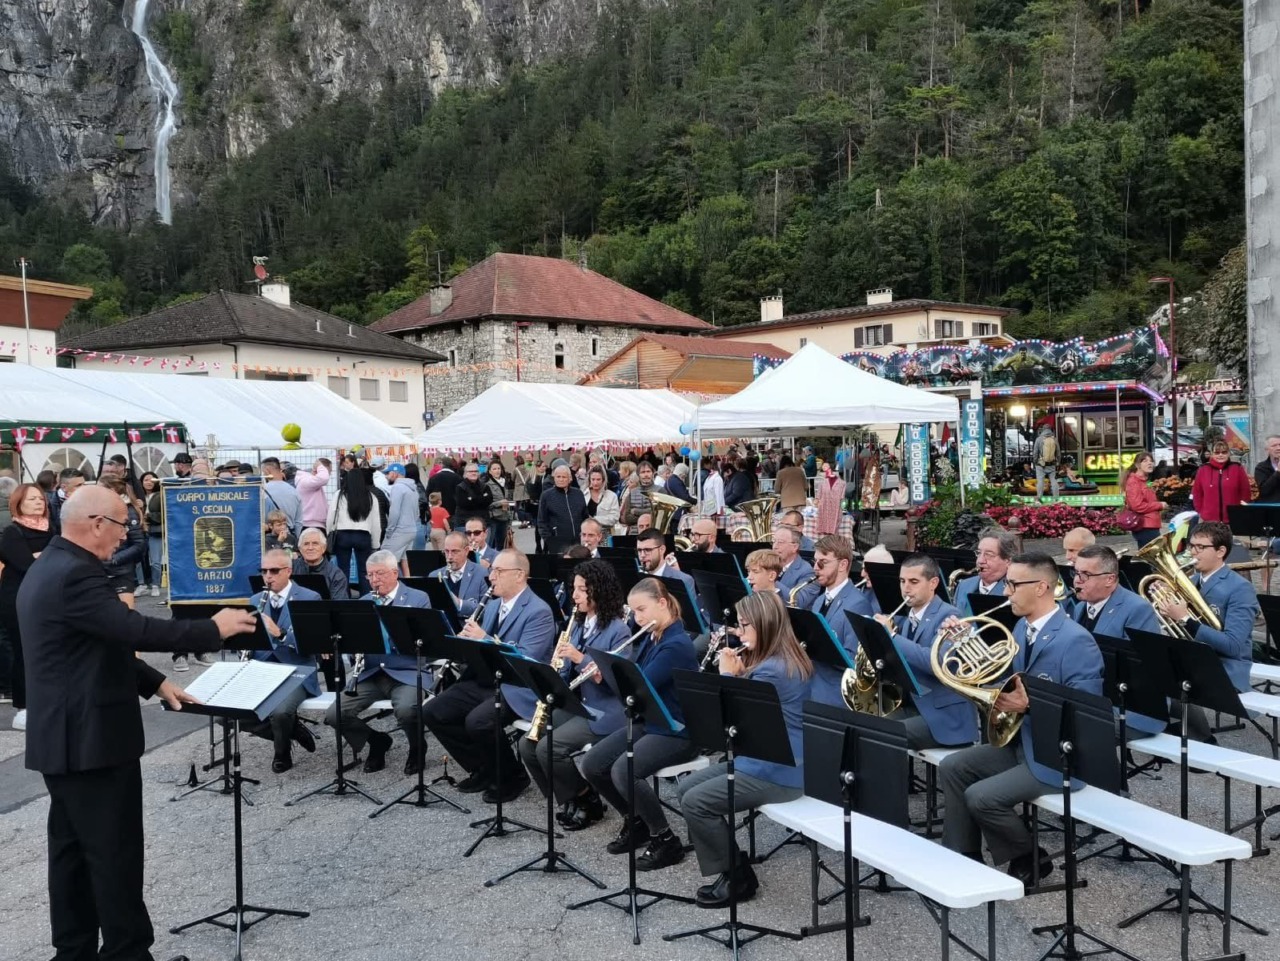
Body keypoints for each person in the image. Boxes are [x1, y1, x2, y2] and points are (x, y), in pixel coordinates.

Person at [19, 485, 256, 961]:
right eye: (122, 524)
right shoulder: (76, 574)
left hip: (64, 741)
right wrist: (214, 628)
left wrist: (153, 681)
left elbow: (94, 642)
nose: (126, 535)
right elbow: (134, 629)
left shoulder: (52, 566)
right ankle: (128, 954)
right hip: (92, 741)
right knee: (113, 855)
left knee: (72, 855)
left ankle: (74, 952)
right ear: (97, 525)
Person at [938, 551, 1103, 885]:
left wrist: (1028, 707)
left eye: (1013, 584)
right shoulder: (1021, 630)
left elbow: (1087, 713)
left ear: (1041, 587)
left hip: (1057, 755)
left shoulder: (1076, 641)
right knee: (952, 767)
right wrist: (964, 642)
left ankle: (1029, 856)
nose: (1006, 592)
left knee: (981, 797)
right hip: (1023, 743)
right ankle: (963, 855)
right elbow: (1002, 682)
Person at [679, 591, 812, 903]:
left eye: (744, 626)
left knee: (696, 802)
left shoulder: (773, 669)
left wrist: (728, 677)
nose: (738, 633)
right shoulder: (774, 659)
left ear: (764, 626)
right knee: (685, 789)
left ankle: (737, 876)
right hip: (765, 759)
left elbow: (736, 721)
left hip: (778, 770)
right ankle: (732, 867)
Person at [581, 578, 700, 869]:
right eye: (634, 612)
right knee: (592, 764)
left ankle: (666, 839)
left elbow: (641, 686)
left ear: (662, 603)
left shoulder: (676, 645)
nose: (638, 618)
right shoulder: (652, 635)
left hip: (678, 729)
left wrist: (607, 674)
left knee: (624, 769)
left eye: (642, 610)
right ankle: (637, 821)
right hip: (652, 722)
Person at [422, 549, 556, 802]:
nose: (491, 576)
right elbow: (479, 650)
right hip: (486, 677)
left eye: (498, 571)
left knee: (478, 721)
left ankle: (512, 776)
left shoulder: (539, 611)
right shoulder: (493, 605)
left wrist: (484, 638)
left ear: (519, 575)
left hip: (518, 686)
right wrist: (462, 645)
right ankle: (484, 768)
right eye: (491, 570)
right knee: (432, 711)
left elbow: (525, 659)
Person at [518, 560, 631, 830]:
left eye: (582, 589)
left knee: (550, 748)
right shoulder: (578, 624)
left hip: (606, 711)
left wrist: (579, 658)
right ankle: (568, 796)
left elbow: (617, 682)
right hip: (579, 703)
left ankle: (586, 799)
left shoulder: (619, 630)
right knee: (527, 745)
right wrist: (555, 668)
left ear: (599, 591)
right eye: (574, 588)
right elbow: (567, 672)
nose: (575, 595)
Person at [325, 551, 433, 775]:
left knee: (405, 710)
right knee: (335, 714)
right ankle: (376, 741)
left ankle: (417, 747)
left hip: (406, 671)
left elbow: (425, 640)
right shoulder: (364, 602)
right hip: (372, 673)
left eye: (380, 574)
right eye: (370, 575)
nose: (375, 580)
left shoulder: (417, 598)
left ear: (395, 573)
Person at [872, 554, 975, 750]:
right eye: (902, 581)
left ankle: (897, 781)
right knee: (862, 724)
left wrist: (892, 637)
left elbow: (934, 662)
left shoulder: (950, 615)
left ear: (933, 583)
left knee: (882, 736)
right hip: (913, 705)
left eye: (913, 582)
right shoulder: (904, 617)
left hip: (943, 716)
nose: (905, 588)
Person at [1067, 544, 1166, 736]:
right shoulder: (1079, 608)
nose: (1077, 581)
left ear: (1110, 579)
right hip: (1093, 697)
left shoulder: (1138, 609)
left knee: (1071, 732)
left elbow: (1138, 671)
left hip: (1131, 708)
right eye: (1076, 573)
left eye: (1085, 575)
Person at [1153, 521, 1256, 696]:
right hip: (1194, 660)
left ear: (1220, 551)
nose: (1193, 552)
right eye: (1191, 546)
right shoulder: (1191, 582)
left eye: (1200, 547)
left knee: (1164, 688)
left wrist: (1185, 619)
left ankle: (1192, 724)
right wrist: (1167, 607)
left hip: (1226, 666)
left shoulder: (1240, 588)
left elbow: (1233, 646)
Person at [247, 550, 321, 772]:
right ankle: (293, 729)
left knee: (280, 712)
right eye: (264, 571)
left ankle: (282, 754)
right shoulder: (254, 600)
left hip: (295, 671)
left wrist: (279, 633)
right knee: (227, 713)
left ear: (288, 571)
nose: (268, 576)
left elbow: (313, 644)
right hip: (262, 670)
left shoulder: (310, 598)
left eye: (274, 571)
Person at [1, 483, 55, 731]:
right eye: (32, 499)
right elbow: (26, 564)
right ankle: (23, 706)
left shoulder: (53, 528)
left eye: (41, 499)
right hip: (18, 597)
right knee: (23, 650)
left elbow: (60, 557)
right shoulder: (12, 532)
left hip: (49, 596)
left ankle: (47, 701)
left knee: (49, 649)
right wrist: (43, 557)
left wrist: (39, 555)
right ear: (18, 502)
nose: (38, 503)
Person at [807, 534, 875, 705]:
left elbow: (854, 662)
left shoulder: (858, 604)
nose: (816, 567)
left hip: (834, 695)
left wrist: (819, 646)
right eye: (814, 562)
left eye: (823, 562)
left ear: (843, 564)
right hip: (812, 687)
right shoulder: (819, 600)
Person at [328, 465, 382, 595]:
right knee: (364, 571)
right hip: (363, 536)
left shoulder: (339, 495)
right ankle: (367, 600)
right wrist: (376, 543)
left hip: (342, 535)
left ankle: (344, 599)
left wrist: (328, 533)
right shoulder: (371, 497)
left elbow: (331, 517)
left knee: (343, 570)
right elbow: (376, 522)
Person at [99, 477, 147, 614]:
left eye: (100, 488)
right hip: (102, 569)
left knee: (125, 616)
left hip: (121, 571)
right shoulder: (102, 509)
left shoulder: (128, 511)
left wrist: (115, 559)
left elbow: (139, 544)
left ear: (112, 491)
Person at [952, 529, 1015, 613]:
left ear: (1008, 561)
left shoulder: (1014, 591)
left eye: (988, 554)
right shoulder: (963, 585)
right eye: (979, 553)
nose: (980, 561)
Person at [430, 531, 489, 617]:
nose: (449, 556)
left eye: (454, 551)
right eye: (446, 551)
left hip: (468, 627)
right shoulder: (434, 576)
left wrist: (460, 604)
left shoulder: (481, 573)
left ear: (466, 551)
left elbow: (489, 610)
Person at [1192, 440, 1251, 523]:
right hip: (1208, 520)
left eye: (1224, 452)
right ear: (1212, 454)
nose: (1220, 455)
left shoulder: (1237, 468)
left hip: (1233, 519)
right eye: (1217, 452)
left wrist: (1240, 511)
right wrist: (1201, 512)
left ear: (1228, 453)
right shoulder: (1203, 469)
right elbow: (1197, 493)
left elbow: (1245, 492)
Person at [537, 464, 588, 555]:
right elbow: (541, 521)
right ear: (554, 478)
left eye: (564, 477)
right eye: (558, 477)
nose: (561, 479)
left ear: (570, 478)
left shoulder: (578, 493)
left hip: (578, 541)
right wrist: (549, 540)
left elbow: (585, 517)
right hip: (557, 542)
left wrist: (584, 536)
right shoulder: (546, 495)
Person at [1120, 451, 1167, 548]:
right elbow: (1137, 506)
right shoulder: (1134, 482)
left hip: (1150, 525)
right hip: (1145, 526)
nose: (1150, 463)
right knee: (1150, 559)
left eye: (1151, 461)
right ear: (1137, 465)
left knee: (1149, 559)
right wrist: (1159, 505)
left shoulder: (1144, 481)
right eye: (1145, 461)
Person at [292, 527, 350, 600]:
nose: (310, 548)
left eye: (315, 543)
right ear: (300, 549)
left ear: (324, 548)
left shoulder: (336, 574)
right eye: (306, 544)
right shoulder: (290, 568)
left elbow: (340, 606)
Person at [380, 464, 419, 569]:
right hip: (412, 529)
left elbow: (394, 511)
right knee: (404, 560)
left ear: (394, 473)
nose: (386, 476)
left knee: (384, 558)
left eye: (388, 473)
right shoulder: (413, 489)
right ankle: (407, 583)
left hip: (400, 530)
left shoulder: (397, 487)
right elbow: (417, 513)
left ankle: (388, 584)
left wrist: (389, 531)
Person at [259, 458, 303, 536]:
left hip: (270, 538)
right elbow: (299, 522)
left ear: (267, 471)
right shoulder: (294, 491)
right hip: (290, 538)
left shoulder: (262, 491)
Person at [773, 526, 815, 601]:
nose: (775, 546)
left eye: (780, 542)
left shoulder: (807, 571)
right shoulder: (769, 564)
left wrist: (770, 580)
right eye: (774, 541)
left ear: (795, 547)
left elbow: (800, 601)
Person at [453, 461, 493, 531]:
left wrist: (472, 499)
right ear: (465, 474)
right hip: (464, 524)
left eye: (476, 471)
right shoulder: (460, 487)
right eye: (470, 471)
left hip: (483, 523)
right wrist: (481, 499)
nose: (473, 473)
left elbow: (489, 500)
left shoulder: (485, 487)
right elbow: (463, 504)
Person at [141, 472, 163, 598]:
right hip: (140, 531)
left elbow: (164, 514)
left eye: (152, 480)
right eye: (145, 480)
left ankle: (156, 584)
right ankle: (142, 584)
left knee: (155, 560)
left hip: (156, 531)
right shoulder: (138, 496)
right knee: (140, 560)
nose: (149, 482)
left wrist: (148, 516)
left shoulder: (160, 495)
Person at [295, 457, 331, 534]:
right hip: (311, 525)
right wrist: (320, 466)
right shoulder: (306, 482)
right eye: (328, 471)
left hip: (313, 524)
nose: (329, 474)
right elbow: (324, 478)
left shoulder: (311, 483)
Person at [620, 461, 659, 532]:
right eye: (643, 472)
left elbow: (659, 515)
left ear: (652, 473)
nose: (646, 475)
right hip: (634, 532)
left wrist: (636, 511)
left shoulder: (660, 491)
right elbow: (627, 518)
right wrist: (648, 514)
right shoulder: (632, 493)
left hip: (654, 533)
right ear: (639, 475)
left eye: (648, 471)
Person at [486, 460, 513, 551]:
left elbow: (508, 502)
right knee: (490, 544)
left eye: (499, 468)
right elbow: (486, 504)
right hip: (494, 518)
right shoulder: (487, 485)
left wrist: (510, 520)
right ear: (490, 471)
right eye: (494, 469)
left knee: (503, 545)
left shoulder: (504, 483)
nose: (497, 471)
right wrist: (499, 503)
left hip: (504, 517)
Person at [584, 464, 620, 530]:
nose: (595, 482)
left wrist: (594, 520)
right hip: (587, 533)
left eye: (598, 479)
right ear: (589, 480)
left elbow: (614, 517)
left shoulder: (612, 496)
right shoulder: (583, 494)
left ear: (603, 480)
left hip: (605, 533)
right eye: (593, 479)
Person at [1032, 425, 1060, 502]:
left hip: (1041, 464)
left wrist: (1035, 463)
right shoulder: (1054, 439)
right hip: (1052, 464)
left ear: (1043, 430)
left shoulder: (1039, 439)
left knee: (1040, 481)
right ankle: (1056, 498)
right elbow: (1058, 453)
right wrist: (1058, 463)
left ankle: (1039, 497)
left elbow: (1035, 453)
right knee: (1053, 480)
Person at [1253, 435, 1280, 504]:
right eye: (1274, 446)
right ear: (1267, 450)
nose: (1278, 448)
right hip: (1271, 508)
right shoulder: (1261, 467)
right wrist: (1278, 472)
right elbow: (1264, 490)